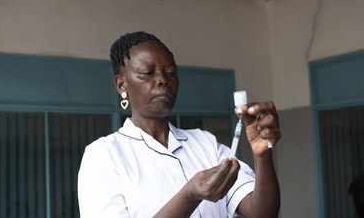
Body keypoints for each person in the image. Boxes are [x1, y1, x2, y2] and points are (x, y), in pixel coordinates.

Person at [78, 31, 281, 217]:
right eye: (147, 73)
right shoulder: (103, 156)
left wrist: (262, 155)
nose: (162, 80)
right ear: (122, 84)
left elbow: (262, 213)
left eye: (171, 72)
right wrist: (189, 195)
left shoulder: (205, 144)